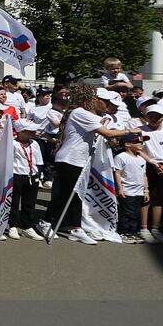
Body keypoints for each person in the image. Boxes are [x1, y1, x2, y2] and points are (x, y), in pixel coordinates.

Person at [46, 85, 126, 244]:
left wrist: (113, 136)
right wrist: (130, 131)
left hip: (82, 160)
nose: (108, 105)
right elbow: (108, 132)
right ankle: (48, 222)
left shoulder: (94, 116)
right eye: (104, 101)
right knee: (67, 194)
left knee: (76, 194)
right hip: (70, 158)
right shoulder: (80, 113)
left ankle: (76, 228)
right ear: (93, 100)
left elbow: (109, 135)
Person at [138, 101, 163, 245]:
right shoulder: (140, 130)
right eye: (151, 116)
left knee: (158, 198)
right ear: (146, 116)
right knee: (146, 197)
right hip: (146, 165)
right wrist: (151, 162)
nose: (154, 119)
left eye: (158, 116)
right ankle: (143, 228)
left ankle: (155, 228)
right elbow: (138, 149)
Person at [8, 119, 44, 239]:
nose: (33, 133)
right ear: (21, 131)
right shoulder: (13, 144)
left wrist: (38, 175)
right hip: (16, 174)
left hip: (32, 175)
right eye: (30, 131)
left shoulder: (35, 144)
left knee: (30, 203)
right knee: (14, 202)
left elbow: (39, 161)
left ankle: (27, 226)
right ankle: (12, 225)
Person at [113, 134, 148, 243]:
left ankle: (132, 231)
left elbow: (144, 175)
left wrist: (146, 190)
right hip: (127, 190)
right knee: (127, 212)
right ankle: (124, 232)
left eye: (142, 142)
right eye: (138, 142)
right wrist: (120, 188)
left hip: (139, 191)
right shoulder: (121, 157)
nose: (141, 144)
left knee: (135, 213)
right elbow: (117, 173)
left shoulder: (141, 159)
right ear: (127, 144)